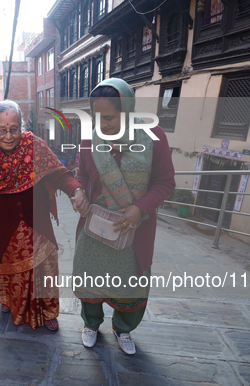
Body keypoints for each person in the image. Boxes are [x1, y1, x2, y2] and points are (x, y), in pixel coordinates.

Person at [0, 100, 88, 331]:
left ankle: (48, 311)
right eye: (2, 130)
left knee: (45, 266)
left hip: (35, 222)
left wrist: (76, 190)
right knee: (11, 271)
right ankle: (11, 301)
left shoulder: (34, 146)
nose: (9, 136)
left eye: (14, 129)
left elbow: (58, 173)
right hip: (1, 226)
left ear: (22, 126)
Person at [72, 78, 175, 355]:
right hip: (95, 228)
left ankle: (123, 328)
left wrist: (140, 208)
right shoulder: (88, 138)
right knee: (91, 280)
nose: (102, 125)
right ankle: (91, 323)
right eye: (97, 117)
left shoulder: (154, 137)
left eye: (109, 117)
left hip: (134, 230)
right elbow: (81, 174)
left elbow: (165, 182)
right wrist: (79, 191)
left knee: (130, 283)